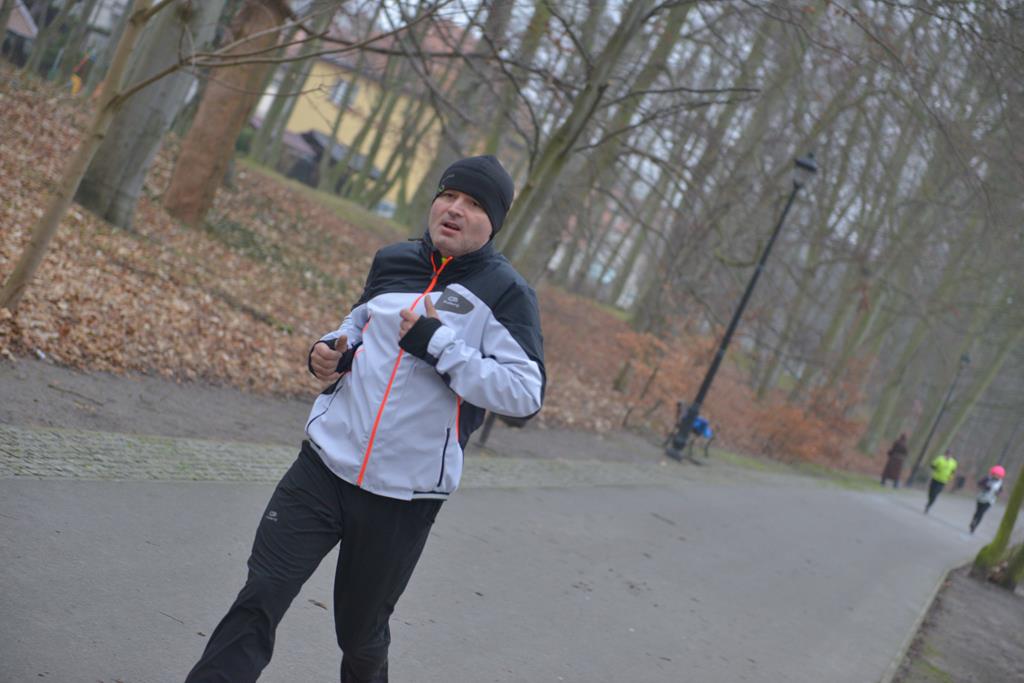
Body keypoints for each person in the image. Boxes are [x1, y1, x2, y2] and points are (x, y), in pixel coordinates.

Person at [184, 155, 545, 683]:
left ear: (493, 223)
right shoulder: (393, 261)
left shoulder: (506, 292)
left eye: (473, 204)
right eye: (448, 195)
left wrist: (439, 345)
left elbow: (526, 395)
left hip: (402, 497)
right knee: (260, 594)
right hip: (323, 467)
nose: (454, 209)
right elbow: (354, 329)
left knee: (359, 636)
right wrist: (328, 353)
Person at [969, 465, 1006, 533]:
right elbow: (979, 484)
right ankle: (973, 521)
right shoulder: (987, 478)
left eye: (998, 475)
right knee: (977, 512)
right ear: (993, 473)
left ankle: (975, 526)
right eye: (995, 474)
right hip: (981, 498)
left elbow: (1000, 491)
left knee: (981, 513)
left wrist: (997, 493)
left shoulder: (1000, 483)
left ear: (1001, 476)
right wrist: (985, 487)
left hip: (989, 501)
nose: (996, 476)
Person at [924, 449, 958, 514]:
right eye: (947, 454)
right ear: (945, 454)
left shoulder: (953, 463)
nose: (948, 456)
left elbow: (953, 471)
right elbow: (932, 465)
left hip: (943, 481)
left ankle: (929, 505)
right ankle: (929, 501)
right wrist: (936, 468)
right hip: (935, 478)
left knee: (935, 493)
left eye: (950, 454)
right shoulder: (940, 459)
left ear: (951, 455)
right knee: (931, 492)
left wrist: (950, 477)